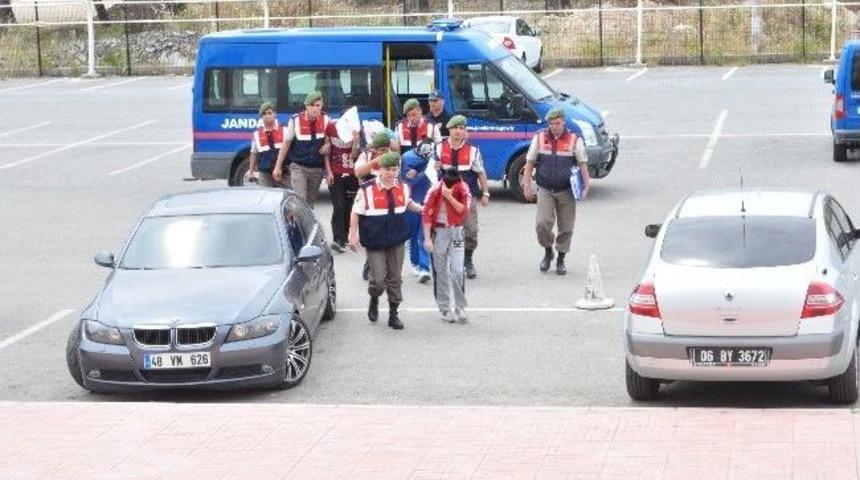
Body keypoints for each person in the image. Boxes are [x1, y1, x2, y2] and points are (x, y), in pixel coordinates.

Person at [349, 152, 424, 330]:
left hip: (397, 238)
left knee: (395, 277)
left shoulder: (403, 187)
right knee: (378, 280)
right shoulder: (366, 189)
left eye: (394, 169)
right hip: (374, 239)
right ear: (379, 169)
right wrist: (352, 234)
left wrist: (423, 208)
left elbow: (407, 203)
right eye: (387, 169)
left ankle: (393, 314)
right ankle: (374, 297)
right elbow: (356, 212)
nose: (391, 173)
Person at [522, 107, 591, 276]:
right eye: (551, 123)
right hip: (545, 188)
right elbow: (530, 162)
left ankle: (561, 258)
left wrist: (586, 186)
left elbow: (582, 164)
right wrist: (527, 185)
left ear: (563, 122)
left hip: (567, 190)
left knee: (566, 228)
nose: (554, 127)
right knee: (542, 224)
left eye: (557, 123)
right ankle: (548, 251)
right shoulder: (539, 137)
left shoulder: (574, 139)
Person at [435, 115, 489, 279]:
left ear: (465, 131)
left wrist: (485, 193)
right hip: (445, 196)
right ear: (449, 130)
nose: (458, 132)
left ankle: (468, 259)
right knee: (444, 230)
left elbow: (480, 172)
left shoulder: (473, 150)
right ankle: (446, 261)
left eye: (461, 128)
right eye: (455, 128)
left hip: (466, 196)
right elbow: (432, 171)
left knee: (471, 229)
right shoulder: (439, 148)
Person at [423, 167, 471, 323]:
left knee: (457, 270)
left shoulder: (463, 188)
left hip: (457, 231)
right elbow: (426, 213)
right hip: (439, 232)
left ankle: (460, 307)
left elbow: (463, 211)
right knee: (441, 271)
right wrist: (427, 239)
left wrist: (449, 197)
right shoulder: (434, 189)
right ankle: (444, 308)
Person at [274, 91, 330, 206]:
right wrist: (278, 167)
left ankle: (305, 218)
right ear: (306, 106)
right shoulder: (296, 120)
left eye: (318, 105)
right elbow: (286, 145)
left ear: (321, 106)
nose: (315, 109)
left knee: (310, 203)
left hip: (317, 169)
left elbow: (328, 143)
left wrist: (328, 145)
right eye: (312, 105)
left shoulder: (326, 120)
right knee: (300, 201)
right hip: (299, 167)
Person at [400, 140, 436, 284]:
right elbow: (408, 182)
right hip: (412, 201)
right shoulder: (407, 158)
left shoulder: (435, 157)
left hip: (428, 200)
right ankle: (415, 262)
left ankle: (424, 267)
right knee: (413, 234)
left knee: (423, 234)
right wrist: (424, 172)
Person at [325, 116, 360, 252]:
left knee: (349, 207)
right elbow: (326, 153)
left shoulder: (356, 130)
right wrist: (328, 172)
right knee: (338, 206)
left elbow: (354, 155)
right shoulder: (331, 127)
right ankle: (338, 239)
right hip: (336, 174)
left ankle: (346, 236)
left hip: (352, 174)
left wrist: (355, 141)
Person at [246, 102, 289, 188]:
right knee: (266, 195)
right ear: (261, 117)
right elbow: (254, 153)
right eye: (264, 114)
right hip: (265, 175)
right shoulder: (257, 134)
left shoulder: (285, 130)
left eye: (269, 113)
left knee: (287, 195)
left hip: (283, 174)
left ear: (275, 114)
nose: (267, 116)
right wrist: (251, 171)